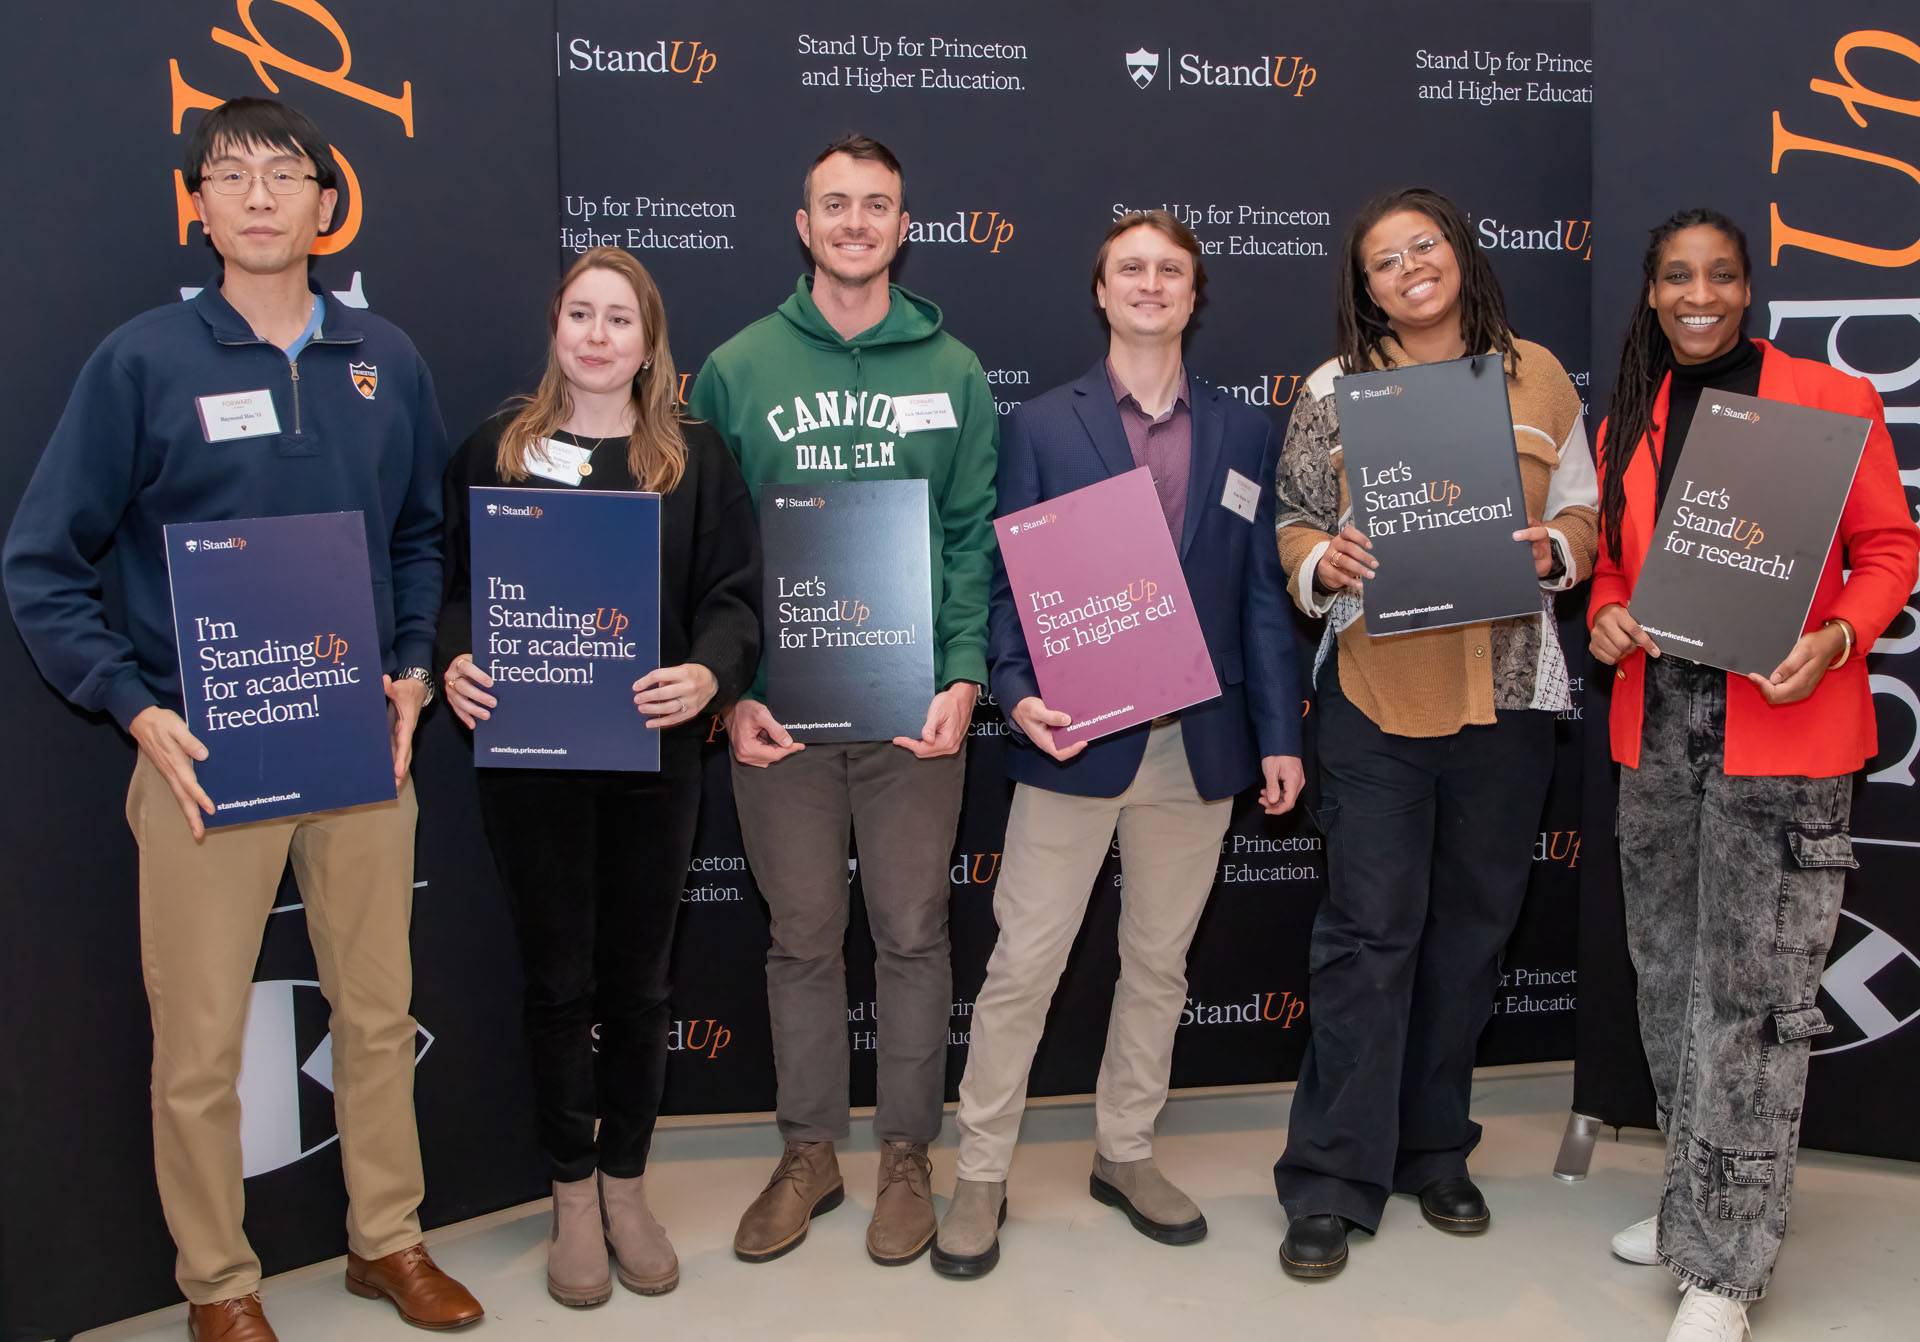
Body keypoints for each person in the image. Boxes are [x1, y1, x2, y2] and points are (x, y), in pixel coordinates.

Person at [1, 98, 480, 1340]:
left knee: (377, 1013)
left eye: (285, 175)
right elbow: (44, 561)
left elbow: (422, 537)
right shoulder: (142, 361)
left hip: (361, 744)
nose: (260, 195)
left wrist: (415, 667)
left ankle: (388, 1239)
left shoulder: (387, 359)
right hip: (204, 754)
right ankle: (218, 1281)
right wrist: (132, 707)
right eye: (231, 175)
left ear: (329, 204)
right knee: (201, 1037)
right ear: (198, 205)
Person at [931, 211, 1305, 1278]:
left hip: (1202, 745)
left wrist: (1279, 733)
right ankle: (982, 1171)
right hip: (1074, 739)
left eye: (1170, 271)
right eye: (1130, 269)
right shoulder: (1043, 425)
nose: (1150, 285)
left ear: (1194, 295)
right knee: (1023, 965)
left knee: (1158, 964)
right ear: (1102, 291)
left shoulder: (1241, 431)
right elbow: (1004, 581)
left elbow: (1263, 608)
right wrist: (1012, 689)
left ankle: (1125, 1149)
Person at [1588, 209, 1917, 1342]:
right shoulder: (1628, 412)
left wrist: (1833, 639)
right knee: (1669, 972)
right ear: (1652, 289)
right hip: (1660, 724)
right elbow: (1617, 571)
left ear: (1747, 287)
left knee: (1754, 1002)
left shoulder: (1830, 401)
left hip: (1784, 725)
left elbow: (1889, 550)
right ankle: (1698, 1203)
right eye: (1677, 276)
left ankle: (1725, 1265)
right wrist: (1608, 615)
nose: (1698, 294)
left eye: (1720, 275)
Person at [1269, 186, 1599, 1279]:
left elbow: (1586, 515)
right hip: (1376, 696)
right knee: (1369, 940)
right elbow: (1294, 519)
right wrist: (1328, 563)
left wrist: (1556, 547)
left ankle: (1431, 1149)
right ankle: (1331, 1178)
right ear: (1363, 289)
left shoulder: (1540, 375)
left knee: (1468, 936)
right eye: (1381, 261)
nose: (1408, 267)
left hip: (1506, 702)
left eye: (1424, 246)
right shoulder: (1335, 390)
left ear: (1459, 252)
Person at [687, 132, 997, 1267]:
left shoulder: (953, 369)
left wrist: (964, 674)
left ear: (902, 227)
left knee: (914, 936)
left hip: (917, 712)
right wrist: (729, 698)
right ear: (803, 226)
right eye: (835, 204)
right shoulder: (736, 367)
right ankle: (810, 1151)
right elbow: (709, 553)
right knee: (802, 939)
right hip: (782, 719)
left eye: (878, 204)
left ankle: (907, 1153)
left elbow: (969, 539)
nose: (856, 221)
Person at [436, 247, 760, 1306]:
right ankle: (571, 1193)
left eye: (621, 318)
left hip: (653, 757)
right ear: (556, 326)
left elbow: (734, 595)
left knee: (637, 984)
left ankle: (627, 1183)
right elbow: (445, 585)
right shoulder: (498, 448)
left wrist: (709, 672)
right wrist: (454, 657)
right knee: (555, 981)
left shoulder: (694, 458)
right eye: (581, 312)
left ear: (649, 339)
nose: (598, 334)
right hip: (530, 761)